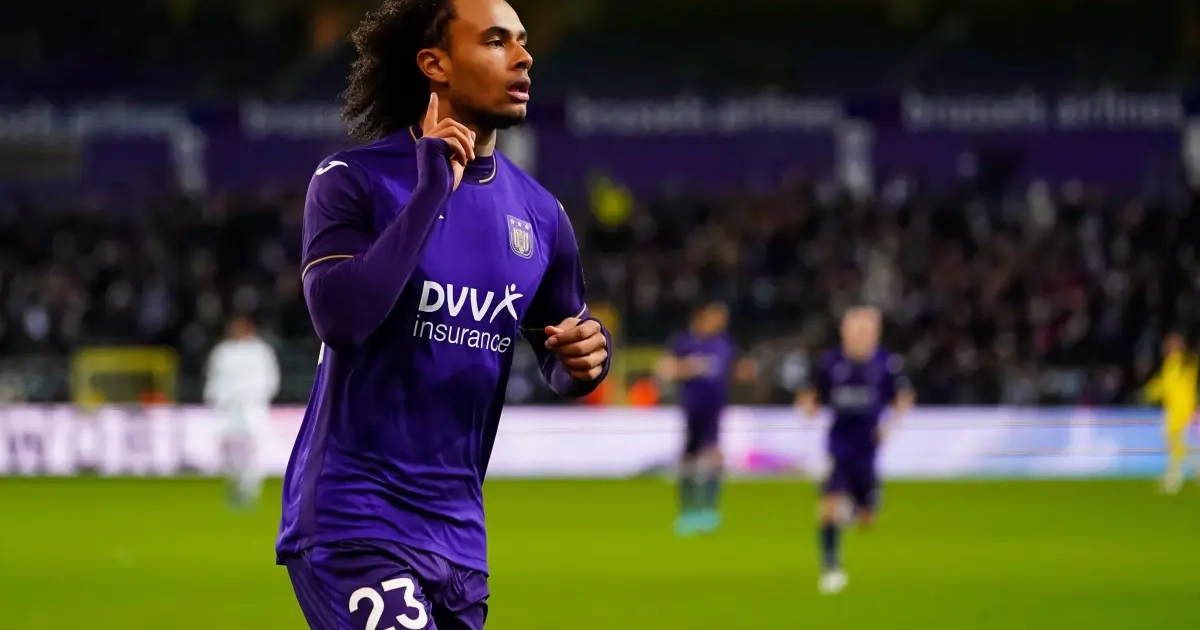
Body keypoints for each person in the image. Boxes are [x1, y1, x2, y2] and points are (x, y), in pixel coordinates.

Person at [275, 0, 612, 628]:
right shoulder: (353, 180)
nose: (524, 57)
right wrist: (432, 189)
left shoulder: (541, 215)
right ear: (435, 64)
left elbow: (564, 348)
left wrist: (587, 357)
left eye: (523, 41)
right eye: (496, 41)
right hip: (355, 522)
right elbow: (341, 320)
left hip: (459, 541)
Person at [797, 306, 913, 595]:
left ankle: (856, 509)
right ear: (844, 333)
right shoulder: (830, 362)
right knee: (828, 507)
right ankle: (831, 568)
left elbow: (904, 397)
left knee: (868, 519)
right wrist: (808, 406)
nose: (861, 336)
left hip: (867, 448)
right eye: (856, 330)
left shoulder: (887, 364)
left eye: (867, 331)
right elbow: (810, 392)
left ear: (876, 334)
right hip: (838, 445)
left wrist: (890, 426)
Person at [657, 302, 753, 535]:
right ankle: (687, 510)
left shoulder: (725, 344)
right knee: (689, 458)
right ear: (703, 317)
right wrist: (689, 368)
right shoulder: (685, 342)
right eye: (716, 317)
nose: (720, 322)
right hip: (693, 410)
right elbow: (664, 369)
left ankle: (709, 510)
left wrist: (745, 372)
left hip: (714, 410)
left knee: (714, 456)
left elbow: (736, 370)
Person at [203, 315, 280, 508]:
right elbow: (214, 377)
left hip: (253, 405)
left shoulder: (260, 351)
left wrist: (258, 396)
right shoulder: (223, 351)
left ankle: (250, 488)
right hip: (228, 407)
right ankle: (235, 483)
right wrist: (215, 398)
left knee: (253, 447)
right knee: (228, 446)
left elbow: (270, 378)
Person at [1142, 331, 1198, 494]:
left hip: (1182, 408)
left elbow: (1174, 385)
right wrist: (1150, 391)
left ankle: (1174, 478)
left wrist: (1151, 391)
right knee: (1176, 442)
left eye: (1171, 343)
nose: (1166, 346)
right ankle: (1187, 471)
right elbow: (1164, 384)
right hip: (1175, 408)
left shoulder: (1185, 363)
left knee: (1174, 440)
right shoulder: (1172, 363)